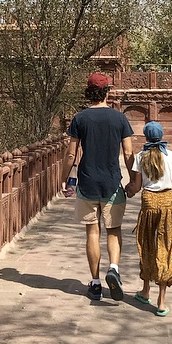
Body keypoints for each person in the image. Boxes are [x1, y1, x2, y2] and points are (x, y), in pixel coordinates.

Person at [61, 72, 134, 301]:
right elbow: (129, 153)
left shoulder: (80, 119)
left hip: (87, 182)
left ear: (88, 92)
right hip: (112, 183)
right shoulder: (119, 118)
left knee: (92, 231)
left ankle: (95, 283)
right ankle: (114, 269)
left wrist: (63, 178)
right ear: (107, 92)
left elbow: (71, 153)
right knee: (114, 229)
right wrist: (134, 180)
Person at [125, 121, 172, 317]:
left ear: (146, 136)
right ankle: (161, 300)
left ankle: (145, 290)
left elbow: (136, 186)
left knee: (148, 245)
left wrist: (128, 191)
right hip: (167, 204)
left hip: (148, 204)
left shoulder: (140, 157)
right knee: (166, 248)